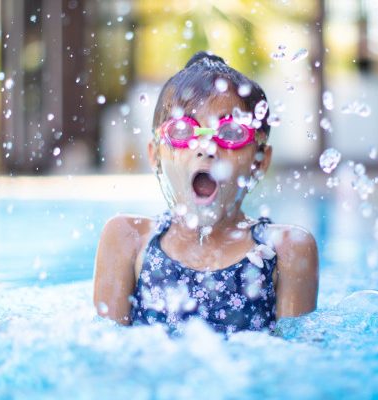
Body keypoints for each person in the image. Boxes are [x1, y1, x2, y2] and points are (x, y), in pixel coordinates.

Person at [93, 51, 318, 336]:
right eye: (183, 130)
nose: (206, 147)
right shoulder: (127, 239)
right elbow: (106, 356)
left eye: (232, 133)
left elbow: (297, 363)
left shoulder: (287, 249)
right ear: (155, 155)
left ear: (260, 160)